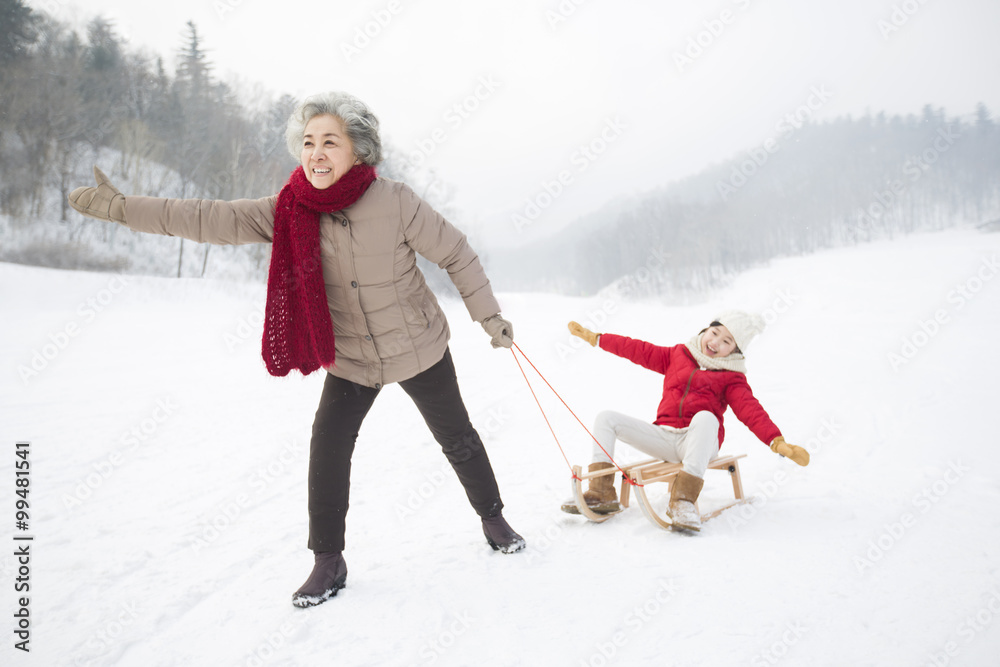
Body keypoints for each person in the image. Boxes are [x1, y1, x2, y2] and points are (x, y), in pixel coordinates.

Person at [68, 91, 525, 608]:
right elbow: (204, 216)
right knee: (327, 445)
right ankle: (328, 560)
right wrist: (124, 209)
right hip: (351, 355)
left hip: (416, 343)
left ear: (359, 151)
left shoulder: (396, 201)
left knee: (456, 436)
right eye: (308, 142)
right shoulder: (288, 209)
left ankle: (494, 519)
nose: (316, 153)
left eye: (330, 141)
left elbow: (456, 253)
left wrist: (489, 317)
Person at [561, 311, 809, 531]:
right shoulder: (678, 355)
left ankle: (683, 501)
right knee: (606, 419)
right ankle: (601, 491)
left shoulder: (732, 378)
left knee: (706, 417)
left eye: (726, 341)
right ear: (706, 329)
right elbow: (638, 349)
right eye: (714, 333)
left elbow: (751, 410)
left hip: (700, 443)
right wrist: (598, 339)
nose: (715, 342)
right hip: (665, 437)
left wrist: (776, 441)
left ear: (735, 350)